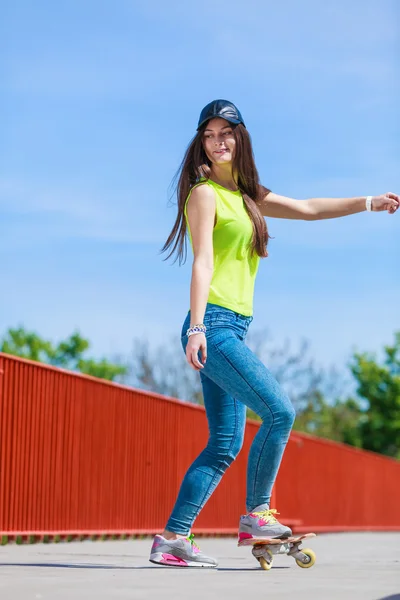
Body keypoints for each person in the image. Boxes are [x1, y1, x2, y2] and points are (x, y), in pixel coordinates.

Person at [149, 99, 399, 568]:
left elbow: (307, 208)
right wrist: (197, 326)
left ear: (240, 139)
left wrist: (368, 202)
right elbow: (201, 261)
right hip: (214, 325)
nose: (218, 141)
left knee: (225, 443)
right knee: (280, 411)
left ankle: (172, 539)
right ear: (201, 143)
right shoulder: (204, 194)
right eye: (210, 134)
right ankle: (258, 513)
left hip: (233, 330)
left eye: (228, 133)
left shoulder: (246, 195)